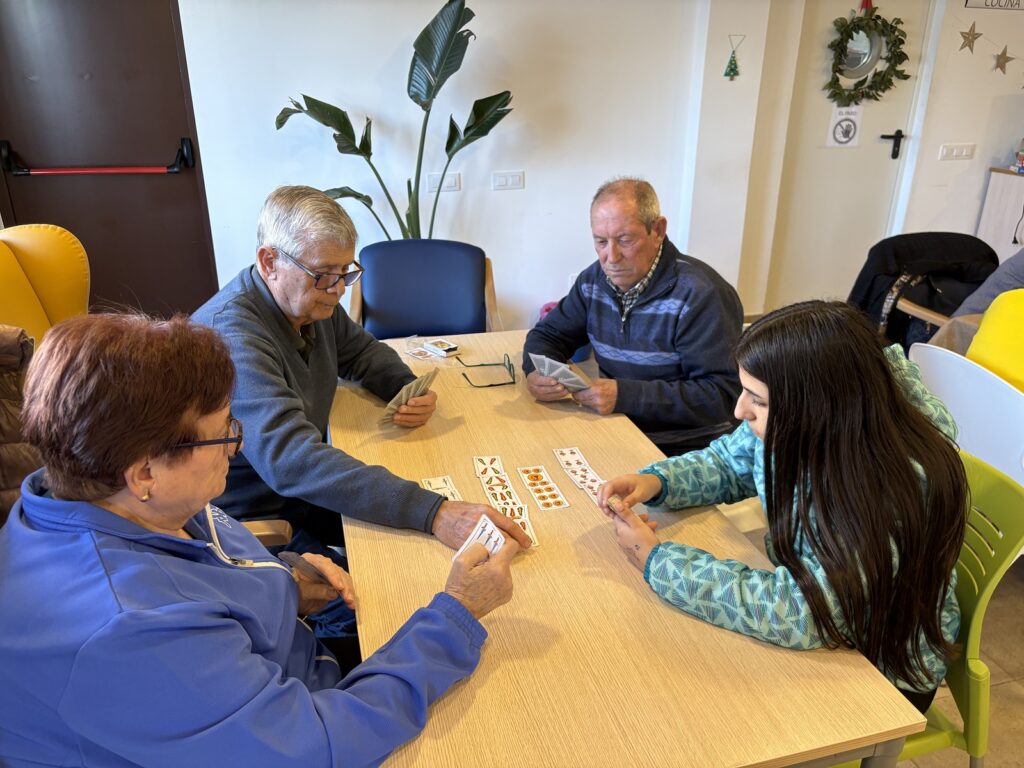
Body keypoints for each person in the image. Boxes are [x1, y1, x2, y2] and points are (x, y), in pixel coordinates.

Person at [0, 313, 520, 767]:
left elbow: (196, 575)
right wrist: (456, 615)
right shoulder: (129, 631)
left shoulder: (96, 495)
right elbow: (313, 747)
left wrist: (289, 585)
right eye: (225, 432)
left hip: (285, 677)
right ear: (145, 473)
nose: (236, 445)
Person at [598, 301, 967, 713]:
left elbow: (801, 613)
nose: (739, 410)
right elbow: (728, 461)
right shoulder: (818, 419)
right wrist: (659, 481)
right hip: (833, 624)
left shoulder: (882, 489)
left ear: (816, 407)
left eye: (757, 400)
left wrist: (655, 558)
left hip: (880, 667)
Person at [193, 185, 530, 555]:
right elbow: (291, 460)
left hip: (307, 492)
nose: (338, 289)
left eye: (345, 272)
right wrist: (433, 512)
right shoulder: (230, 336)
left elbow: (362, 352)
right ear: (270, 262)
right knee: (409, 574)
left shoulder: (311, 301)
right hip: (260, 521)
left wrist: (404, 388)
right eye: (323, 273)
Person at [522, 178, 743, 456]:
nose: (611, 257)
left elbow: (724, 395)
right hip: (618, 429)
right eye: (601, 241)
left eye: (625, 240)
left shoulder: (701, 295)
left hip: (687, 452)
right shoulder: (593, 281)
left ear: (658, 230)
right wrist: (537, 373)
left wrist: (627, 397)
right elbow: (547, 335)